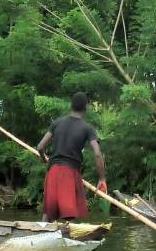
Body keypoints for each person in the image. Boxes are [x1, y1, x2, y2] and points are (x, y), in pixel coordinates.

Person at [35, 92, 107, 222]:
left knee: (48, 212)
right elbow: (97, 153)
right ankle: (69, 237)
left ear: (71, 105)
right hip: (69, 172)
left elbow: (40, 147)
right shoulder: (87, 128)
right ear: (86, 107)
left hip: (53, 170)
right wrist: (102, 178)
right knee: (69, 214)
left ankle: (40, 233)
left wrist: (42, 158)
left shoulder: (57, 123)